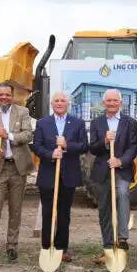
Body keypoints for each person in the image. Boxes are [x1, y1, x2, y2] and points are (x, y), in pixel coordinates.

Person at [0, 82, 34, 262]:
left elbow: (28, 135)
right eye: (1, 95)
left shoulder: (22, 112)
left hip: (18, 168)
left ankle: (12, 245)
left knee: (15, 209)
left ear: (12, 96)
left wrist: (8, 135)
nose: (4, 97)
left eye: (7, 94)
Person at [32, 92, 88, 262]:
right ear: (52, 104)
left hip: (68, 175)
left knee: (64, 214)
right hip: (48, 174)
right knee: (48, 212)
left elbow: (84, 146)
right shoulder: (43, 123)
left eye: (63, 100)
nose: (59, 103)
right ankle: (46, 247)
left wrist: (67, 146)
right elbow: (36, 146)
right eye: (56, 100)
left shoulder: (77, 123)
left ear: (68, 104)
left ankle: (61, 249)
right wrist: (51, 154)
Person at [89, 89, 137, 264]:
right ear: (104, 103)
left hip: (121, 169)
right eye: (108, 101)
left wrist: (120, 161)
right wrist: (103, 141)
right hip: (102, 171)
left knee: (123, 194)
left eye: (114, 101)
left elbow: (133, 147)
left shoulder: (130, 122)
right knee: (105, 209)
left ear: (120, 103)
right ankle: (108, 247)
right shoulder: (96, 123)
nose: (111, 103)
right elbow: (92, 148)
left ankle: (123, 237)